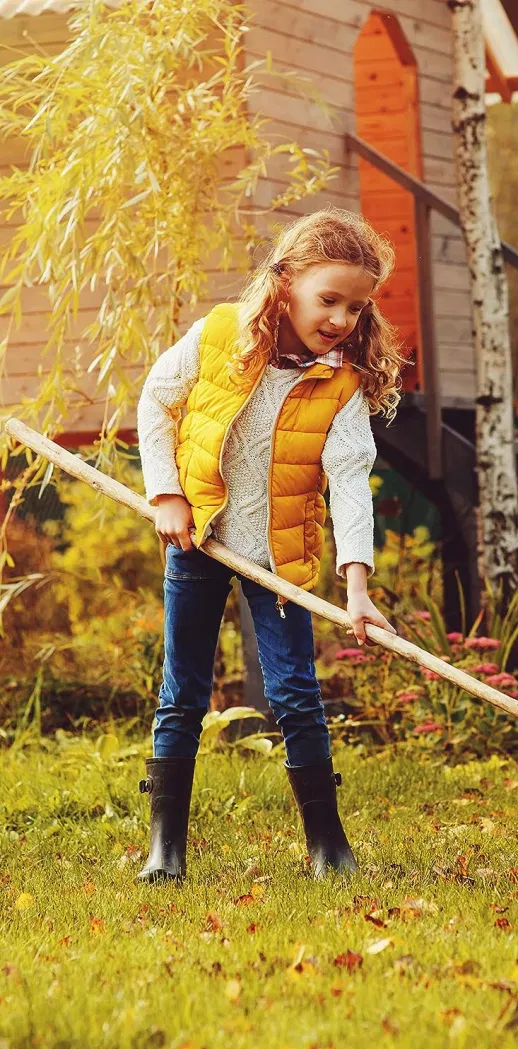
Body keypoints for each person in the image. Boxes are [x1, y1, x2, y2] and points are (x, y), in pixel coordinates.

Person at [135, 207, 402, 883]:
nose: (341, 319)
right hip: (199, 541)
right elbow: (157, 401)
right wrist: (167, 494)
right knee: (183, 693)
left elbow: (348, 483)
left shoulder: (341, 385)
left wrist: (360, 589)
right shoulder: (222, 334)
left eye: (355, 308)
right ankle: (165, 849)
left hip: (279, 560)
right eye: (329, 300)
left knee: (295, 695)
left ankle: (328, 847)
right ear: (285, 284)